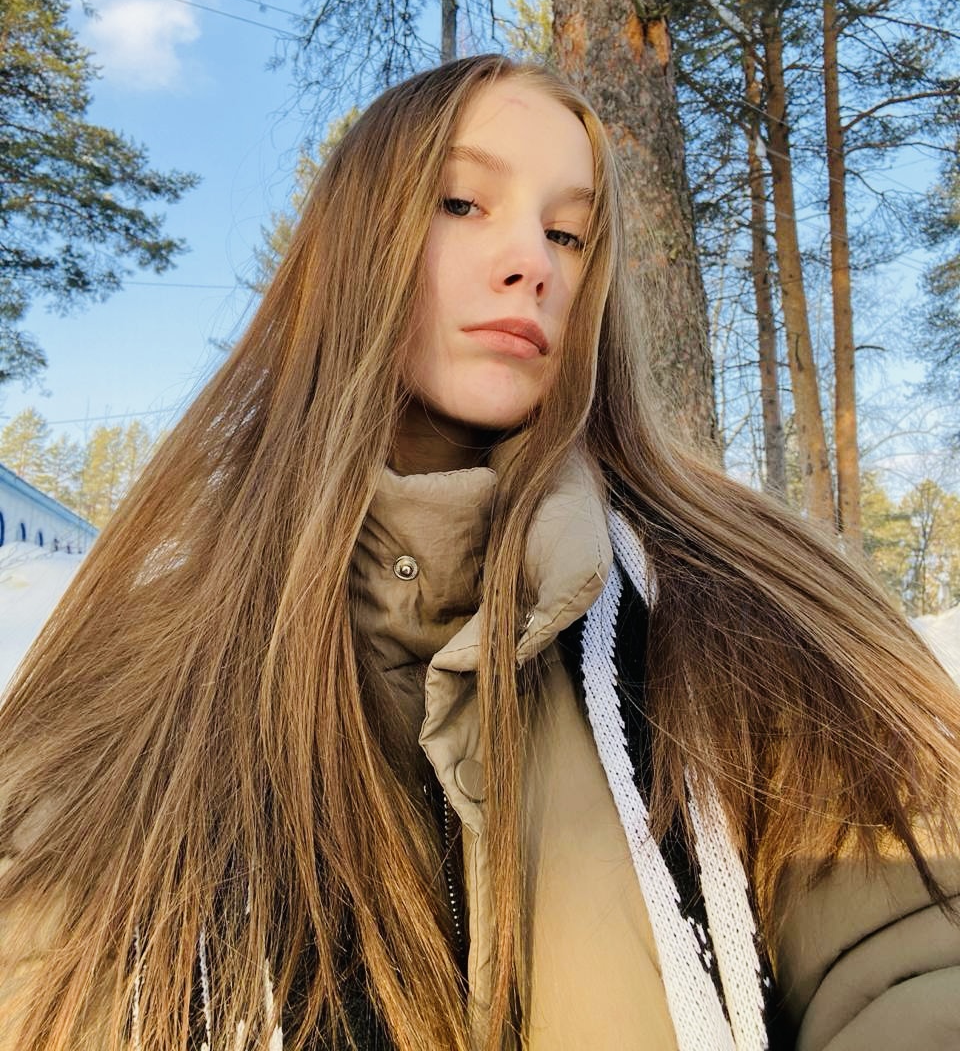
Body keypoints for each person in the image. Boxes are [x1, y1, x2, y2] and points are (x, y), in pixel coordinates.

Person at [1, 54, 958, 1051]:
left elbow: (916, 946)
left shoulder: (751, 597)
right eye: (462, 202)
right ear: (354, 243)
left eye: (568, 233)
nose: (532, 262)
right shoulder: (140, 667)